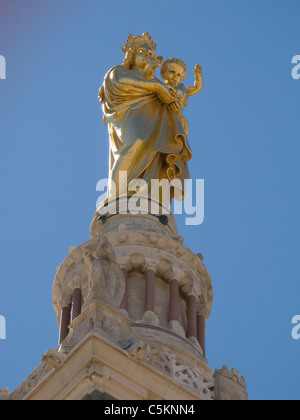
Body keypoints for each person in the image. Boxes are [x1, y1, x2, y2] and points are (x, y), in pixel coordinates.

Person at [98, 32, 192, 205]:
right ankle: (115, 197)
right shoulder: (118, 72)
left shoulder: (158, 83)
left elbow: (170, 107)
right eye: (142, 51)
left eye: (150, 54)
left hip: (153, 122)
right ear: (132, 55)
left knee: (156, 154)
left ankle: (150, 198)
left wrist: (174, 107)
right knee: (136, 143)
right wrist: (155, 87)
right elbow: (119, 83)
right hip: (129, 114)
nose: (147, 56)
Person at [160, 59, 203, 136]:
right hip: (159, 117)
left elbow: (196, 88)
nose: (175, 76)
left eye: (178, 75)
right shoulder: (158, 86)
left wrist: (198, 75)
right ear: (163, 74)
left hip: (176, 120)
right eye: (172, 72)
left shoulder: (181, 88)